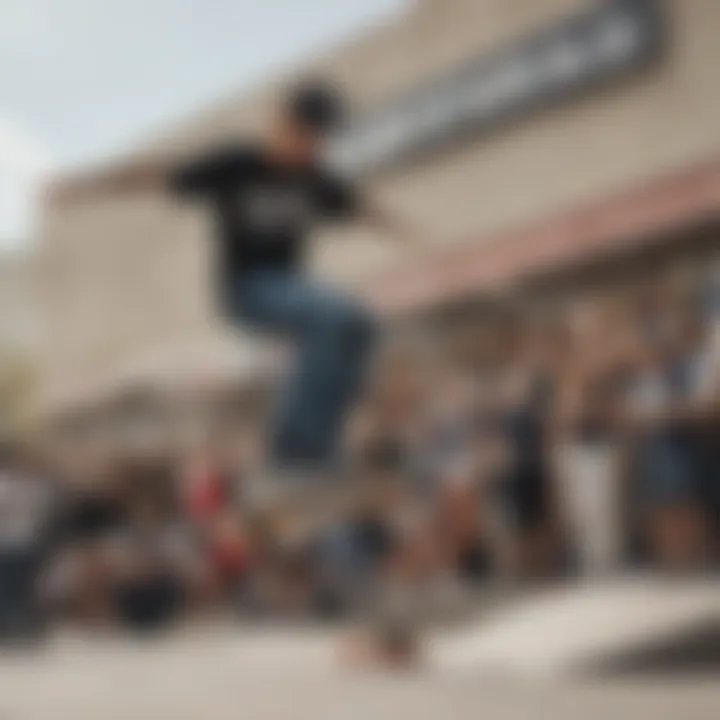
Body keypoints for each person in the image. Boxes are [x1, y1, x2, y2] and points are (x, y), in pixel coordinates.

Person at [49, 81, 416, 488]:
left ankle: (324, 448)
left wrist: (406, 231)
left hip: (290, 288)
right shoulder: (237, 164)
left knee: (360, 324)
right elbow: (155, 175)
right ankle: (293, 454)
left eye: (321, 140)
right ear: (283, 125)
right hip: (246, 290)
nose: (313, 149)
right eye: (308, 137)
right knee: (333, 318)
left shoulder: (315, 179)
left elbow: (359, 206)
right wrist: (82, 186)